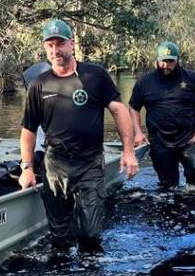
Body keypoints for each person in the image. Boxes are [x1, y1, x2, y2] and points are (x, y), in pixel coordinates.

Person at [18, 18, 138, 250]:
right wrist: (27, 168)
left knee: (90, 235)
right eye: (50, 45)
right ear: (45, 47)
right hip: (55, 165)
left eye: (60, 44)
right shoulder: (39, 85)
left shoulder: (95, 75)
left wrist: (129, 151)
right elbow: (28, 129)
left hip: (89, 164)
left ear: (71, 44)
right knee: (60, 240)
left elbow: (119, 110)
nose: (55, 50)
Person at [128, 41, 195, 189]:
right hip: (160, 142)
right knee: (168, 186)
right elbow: (133, 107)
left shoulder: (192, 78)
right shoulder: (144, 82)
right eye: (163, 61)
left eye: (170, 61)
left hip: (190, 139)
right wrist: (138, 132)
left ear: (177, 60)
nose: (166, 65)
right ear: (157, 60)